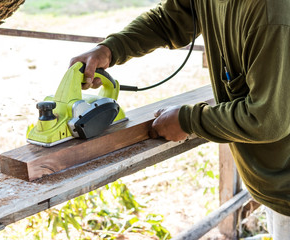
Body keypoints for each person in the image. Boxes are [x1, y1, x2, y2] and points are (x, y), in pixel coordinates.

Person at [69, 0, 290, 239]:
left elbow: (267, 120)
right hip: (275, 185)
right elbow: (171, 19)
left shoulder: (273, 15)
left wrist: (187, 121)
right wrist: (111, 49)